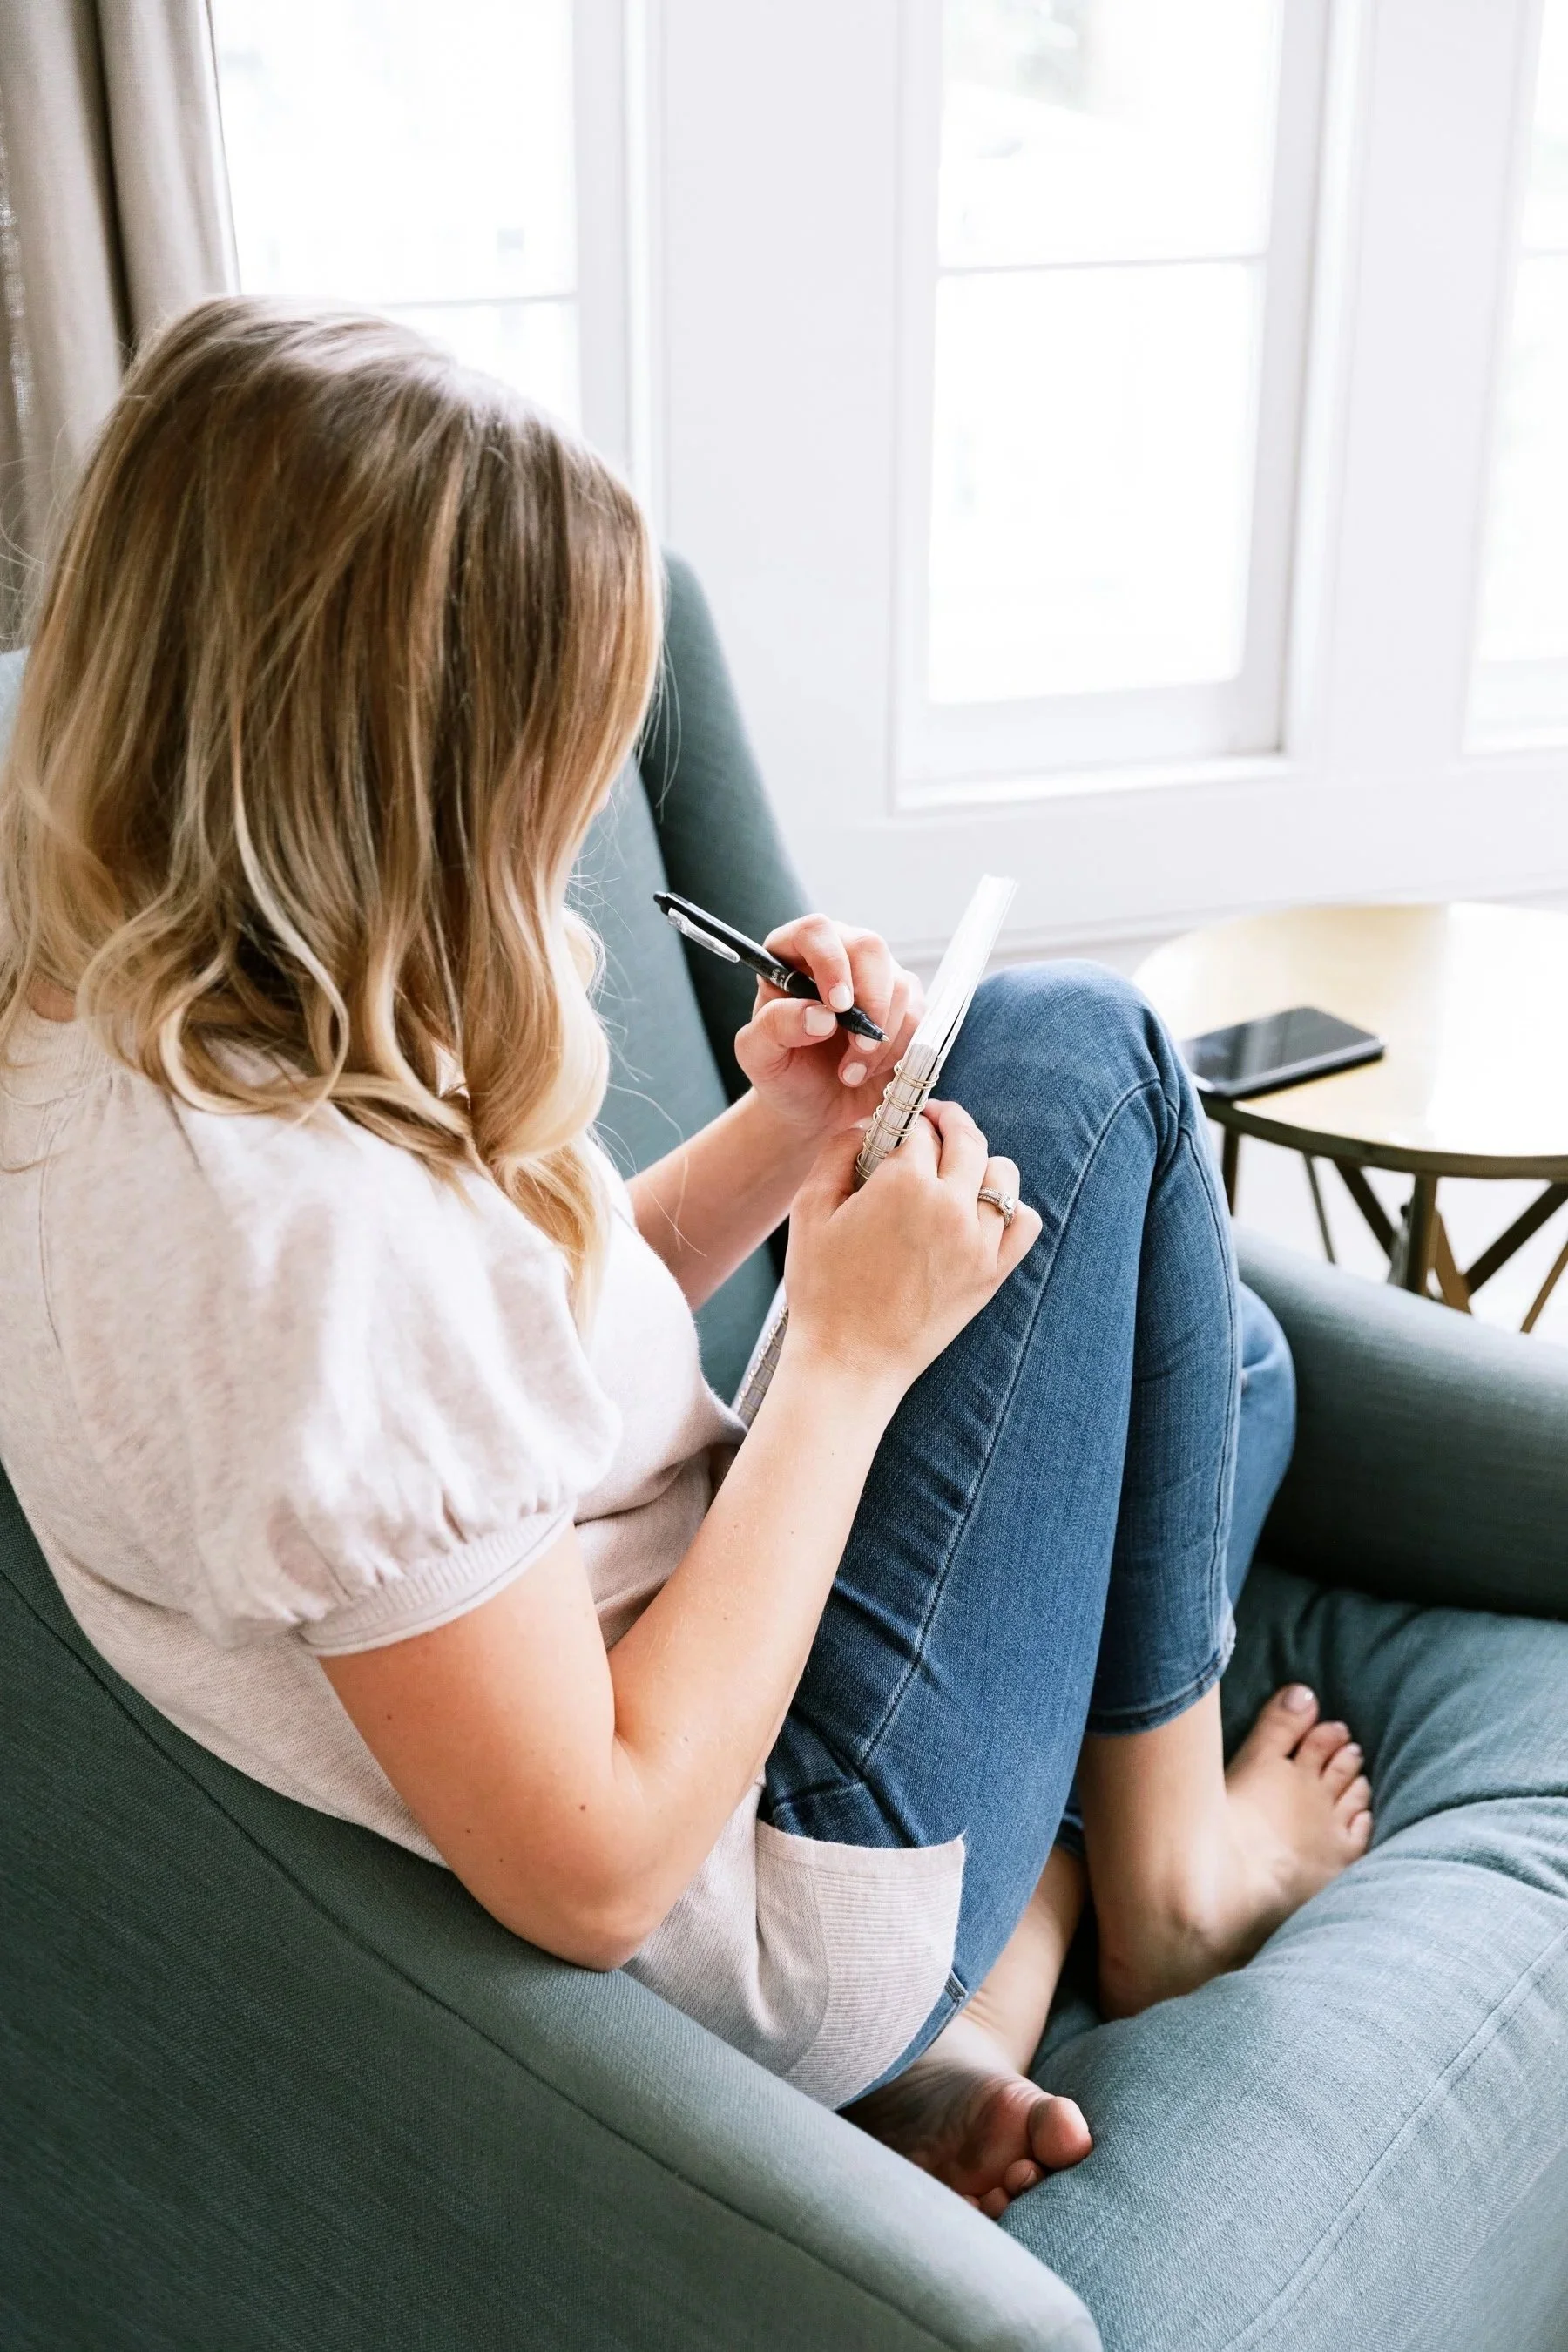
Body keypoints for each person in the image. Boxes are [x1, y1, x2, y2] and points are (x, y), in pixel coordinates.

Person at [0, 301, 1372, 2222]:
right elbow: (607, 1861)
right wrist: (844, 1355)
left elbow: (500, 1391)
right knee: (1085, 1061)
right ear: (409, 778)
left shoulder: (172, 1034)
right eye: (551, 770)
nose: (563, 830)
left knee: (1222, 1369)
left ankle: (999, 1984)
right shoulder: (290, 1258)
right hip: (765, 1874)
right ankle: (1162, 1895)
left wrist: (785, 1143)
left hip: (698, 1643)